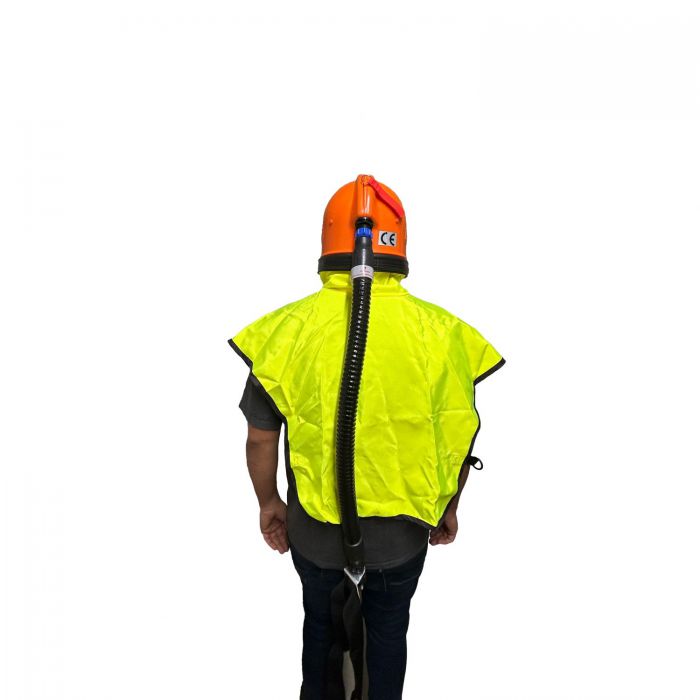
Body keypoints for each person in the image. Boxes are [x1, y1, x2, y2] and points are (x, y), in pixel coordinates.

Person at [229, 175, 505, 699]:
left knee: (322, 632)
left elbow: (261, 437)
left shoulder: (288, 331)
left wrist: (269, 503)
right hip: (401, 537)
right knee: (386, 637)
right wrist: (449, 506)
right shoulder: (441, 334)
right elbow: (457, 431)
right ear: (400, 248)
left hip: (315, 534)